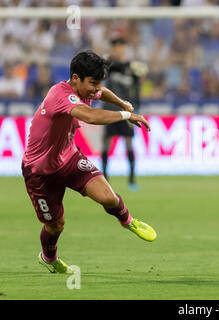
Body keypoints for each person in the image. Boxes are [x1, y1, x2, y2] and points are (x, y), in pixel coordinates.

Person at [22, 51, 157, 274]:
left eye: (98, 82)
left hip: (69, 158)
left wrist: (122, 102)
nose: (96, 88)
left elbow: (101, 93)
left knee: (108, 197)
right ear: (75, 78)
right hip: (40, 171)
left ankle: (128, 221)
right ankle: (48, 257)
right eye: (93, 83)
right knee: (56, 225)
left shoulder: (85, 89)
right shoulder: (60, 95)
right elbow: (91, 117)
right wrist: (126, 115)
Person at [101, 38, 142, 191]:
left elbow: (136, 89)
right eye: (116, 48)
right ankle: (105, 179)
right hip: (110, 110)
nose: (119, 50)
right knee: (106, 143)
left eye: (121, 48)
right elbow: (106, 69)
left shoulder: (131, 69)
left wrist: (137, 107)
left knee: (129, 143)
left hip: (127, 110)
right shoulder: (109, 65)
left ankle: (132, 179)